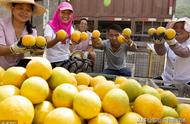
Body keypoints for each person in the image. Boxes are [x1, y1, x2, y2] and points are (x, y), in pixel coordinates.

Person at [0, 0, 46, 69]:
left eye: (28, 10)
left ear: (31, 13)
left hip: (17, 71)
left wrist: (40, 49)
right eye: (20, 8)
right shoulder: (1, 24)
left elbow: (36, 53)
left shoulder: (32, 32)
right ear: (12, 9)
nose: (24, 12)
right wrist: (13, 49)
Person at [153, 17, 190, 84]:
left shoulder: (172, 40)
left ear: (188, 32)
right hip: (167, 80)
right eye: (175, 27)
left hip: (186, 83)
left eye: (182, 28)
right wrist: (158, 42)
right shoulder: (171, 39)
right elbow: (161, 52)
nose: (178, 30)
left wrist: (171, 41)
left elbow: (185, 53)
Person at [44, 1, 74, 68]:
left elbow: (73, 42)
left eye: (68, 13)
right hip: (52, 62)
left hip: (66, 60)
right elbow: (47, 45)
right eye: (63, 12)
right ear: (58, 13)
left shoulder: (71, 28)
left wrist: (77, 41)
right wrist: (57, 39)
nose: (66, 15)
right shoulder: (50, 26)